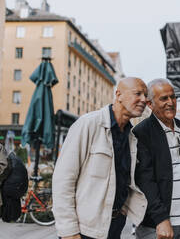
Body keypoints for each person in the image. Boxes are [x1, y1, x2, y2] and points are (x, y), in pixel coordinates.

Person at [52, 77, 148, 239]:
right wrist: (69, 231)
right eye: (138, 94)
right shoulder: (88, 124)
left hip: (115, 225)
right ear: (119, 95)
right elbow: (63, 180)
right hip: (84, 230)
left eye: (145, 95)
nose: (144, 100)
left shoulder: (131, 136)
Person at [133, 78, 180, 239]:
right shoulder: (142, 133)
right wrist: (161, 219)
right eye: (164, 98)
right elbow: (145, 181)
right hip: (158, 227)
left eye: (173, 97)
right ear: (150, 104)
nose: (171, 102)